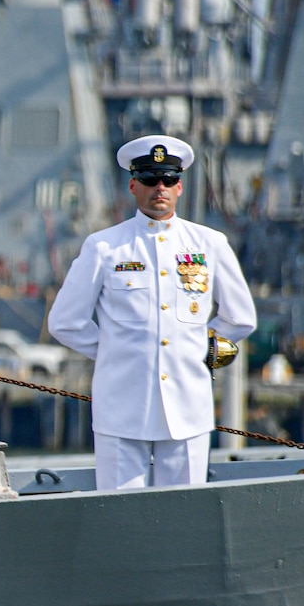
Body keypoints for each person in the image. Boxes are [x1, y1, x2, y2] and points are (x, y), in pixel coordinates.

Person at [48, 134, 256, 489]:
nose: (159, 187)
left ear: (179, 186)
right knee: (120, 518)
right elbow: (65, 322)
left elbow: (241, 317)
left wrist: (202, 346)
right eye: (149, 179)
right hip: (121, 407)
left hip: (188, 407)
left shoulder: (209, 244)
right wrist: (115, 350)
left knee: (184, 515)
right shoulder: (103, 247)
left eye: (169, 179)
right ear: (133, 185)